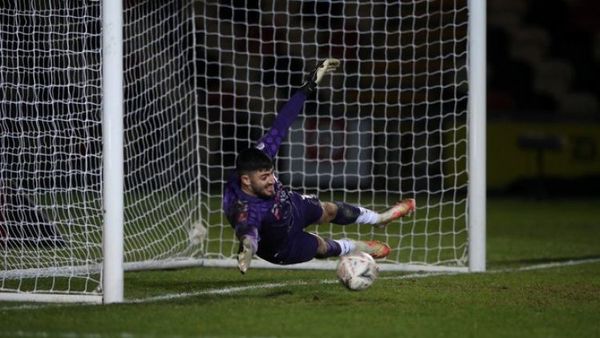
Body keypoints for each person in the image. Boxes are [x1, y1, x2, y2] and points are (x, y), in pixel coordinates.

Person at [223, 58, 416, 274]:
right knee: (322, 246)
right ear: (246, 181)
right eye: (264, 177)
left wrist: (308, 86)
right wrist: (248, 247)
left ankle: (379, 219)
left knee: (329, 209)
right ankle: (358, 248)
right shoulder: (240, 205)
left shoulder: (261, 155)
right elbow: (247, 230)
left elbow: (283, 121)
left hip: (290, 206)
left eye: (271, 174)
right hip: (280, 246)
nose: (271, 180)